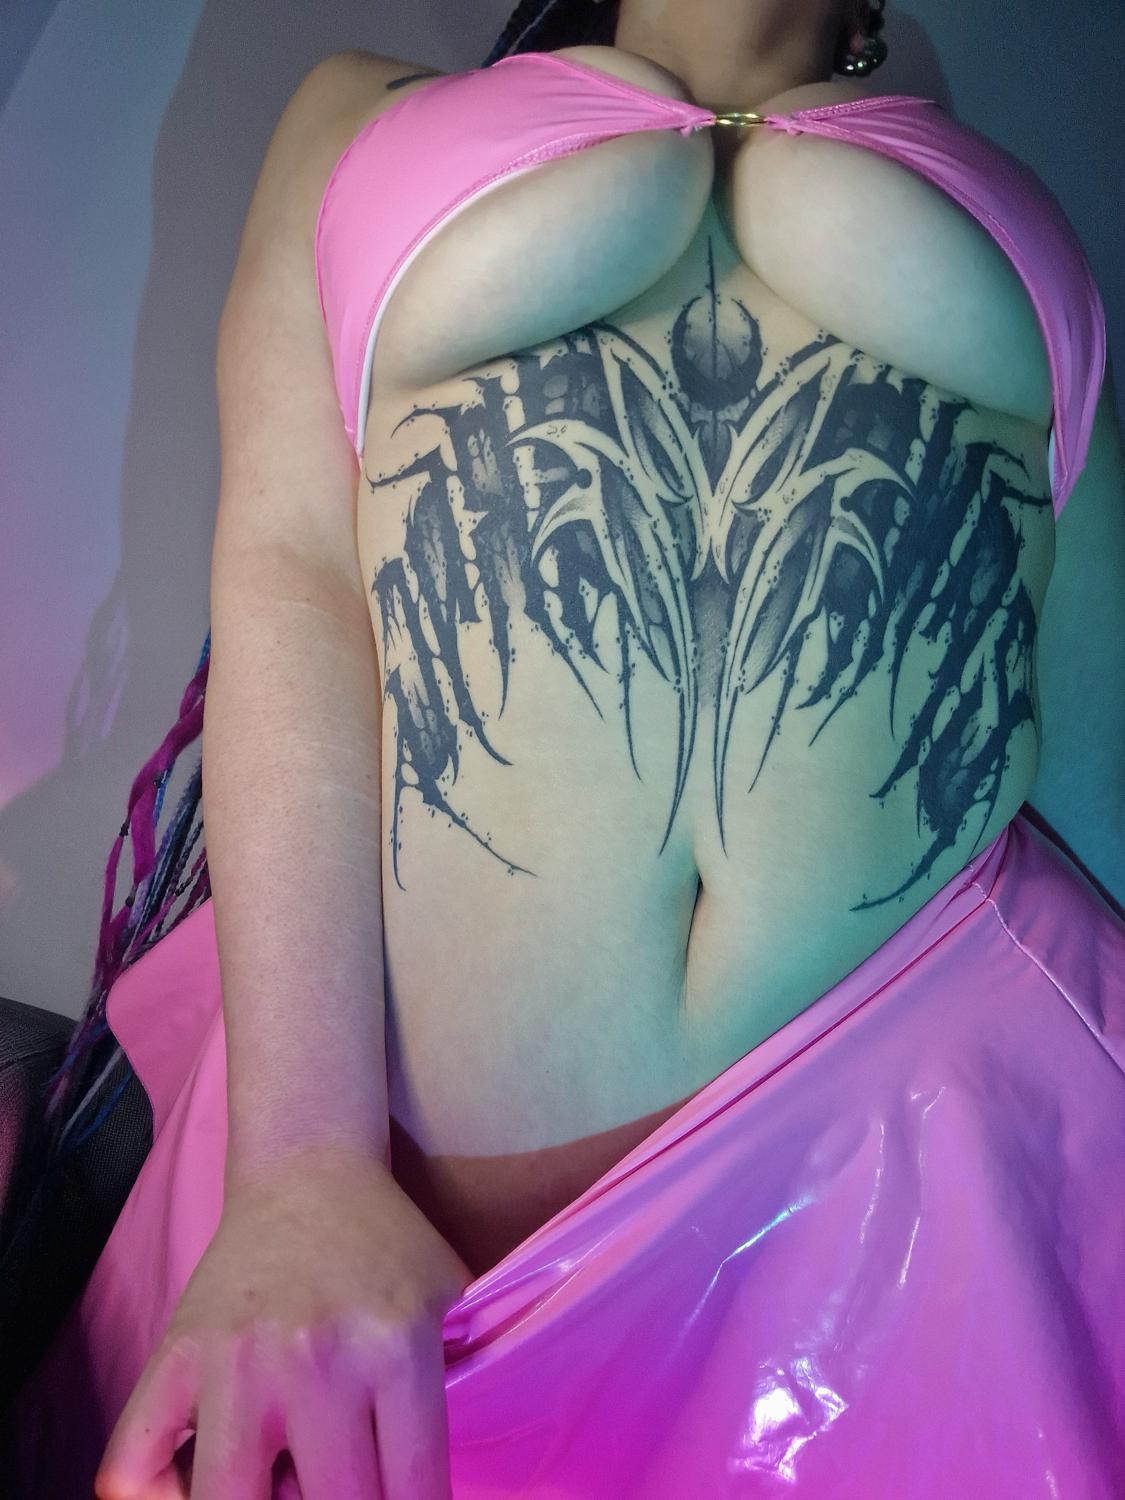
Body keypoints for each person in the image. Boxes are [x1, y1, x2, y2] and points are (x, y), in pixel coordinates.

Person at [7, 0, 1124, 1494]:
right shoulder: (358, 109)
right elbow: (291, 584)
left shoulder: (1011, 211)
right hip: (394, 1203)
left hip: (912, 1215)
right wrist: (301, 1163)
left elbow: (1088, 741)